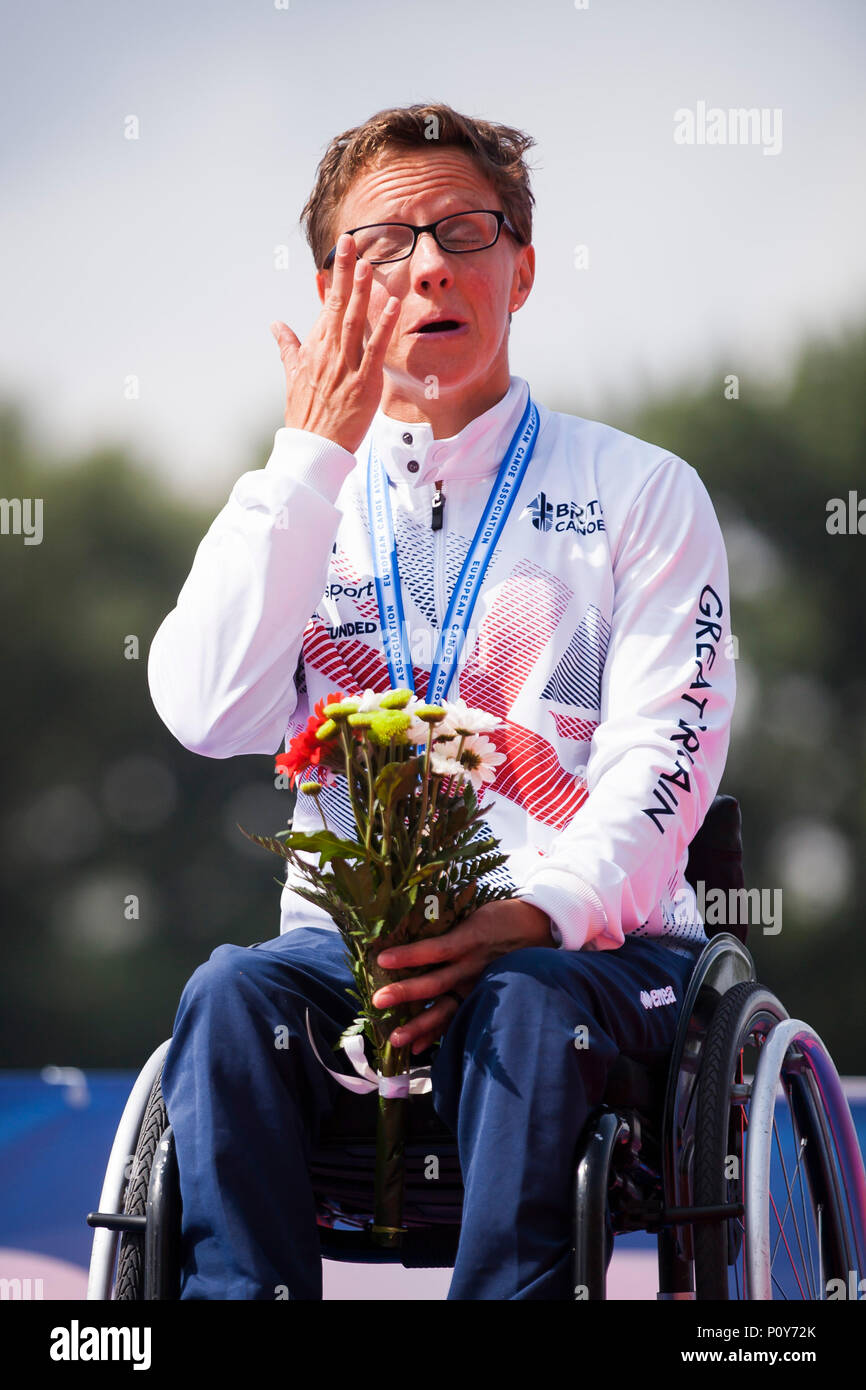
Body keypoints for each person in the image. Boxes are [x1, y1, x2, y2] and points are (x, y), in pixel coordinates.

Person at [147, 102, 736, 1300]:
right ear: (330, 291)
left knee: (522, 998)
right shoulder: (295, 503)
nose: (427, 266)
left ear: (521, 266)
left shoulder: (640, 492)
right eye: (382, 244)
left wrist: (531, 912)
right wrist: (308, 457)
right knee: (224, 991)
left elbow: (663, 765)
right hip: (341, 960)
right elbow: (205, 709)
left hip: (588, 958)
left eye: (464, 232)